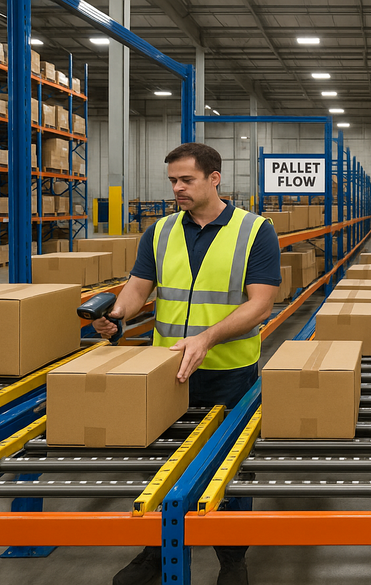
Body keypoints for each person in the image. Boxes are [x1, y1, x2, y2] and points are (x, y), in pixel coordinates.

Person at [93, 142, 281, 585]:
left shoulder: (255, 231)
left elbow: (261, 305)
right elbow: (139, 288)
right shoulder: (159, 232)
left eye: (186, 180)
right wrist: (117, 317)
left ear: (214, 178)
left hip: (229, 371)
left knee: (228, 466)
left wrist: (207, 338)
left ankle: (232, 557)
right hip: (168, 371)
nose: (177, 188)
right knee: (162, 460)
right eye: (173, 180)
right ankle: (156, 550)